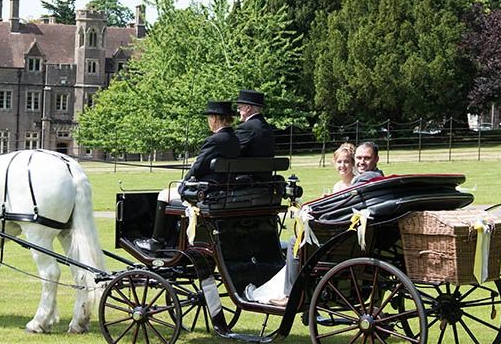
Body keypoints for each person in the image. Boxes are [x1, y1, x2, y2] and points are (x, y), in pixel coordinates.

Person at [249, 142, 358, 305]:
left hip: (337, 238)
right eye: (340, 162)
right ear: (334, 163)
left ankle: (290, 294)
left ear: (353, 163)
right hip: (337, 234)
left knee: (294, 242)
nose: (343, 165)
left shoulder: (352, 186)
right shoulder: (339, 185)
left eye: (347, 162)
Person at [135, 101, 241, 253]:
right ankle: (171, 238)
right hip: (224, 187)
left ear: (215, 118)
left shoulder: (215, 140)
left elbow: (198, 167)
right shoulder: (234, 139)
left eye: (209, 118)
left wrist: (184, 182)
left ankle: (157, 241)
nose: (208, 122)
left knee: (164, 194)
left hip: (209, 190)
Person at [234, 89, 275, 158]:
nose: (238, 110)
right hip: (266, 168)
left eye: (239, 107)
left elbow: (233, 152)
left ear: (248, 108)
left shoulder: (245, 128)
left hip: (246, 168)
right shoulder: (268, 127)